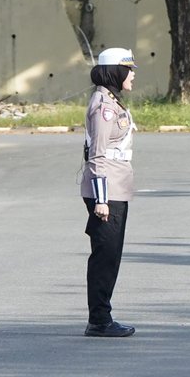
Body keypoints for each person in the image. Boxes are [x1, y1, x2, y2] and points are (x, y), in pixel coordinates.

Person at [81, 47, 139, 337]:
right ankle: (100, 320)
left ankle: (101, 317)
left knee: (111, 255)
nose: (133, 76)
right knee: (105, 256)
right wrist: (101, 199)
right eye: (129, 70)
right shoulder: (103, 105)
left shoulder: (112, 100)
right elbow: (97, 154)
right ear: (116, 71)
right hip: (107, 192)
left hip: (117, 189)